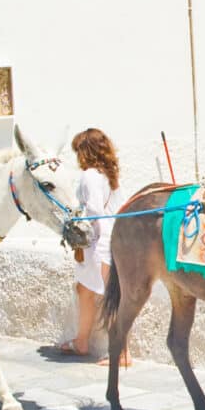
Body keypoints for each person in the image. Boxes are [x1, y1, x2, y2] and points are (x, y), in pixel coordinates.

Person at [58, 128, 130, 365]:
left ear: (85, 151)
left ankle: (121, 352)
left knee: (107, 296)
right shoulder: (108, 176)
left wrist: (81, 226)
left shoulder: (89, 175)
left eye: (78, 150)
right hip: (107, 239)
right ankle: (81, 341)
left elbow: (95, 210)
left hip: (98, 243)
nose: (77, 156)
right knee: (85, 290)